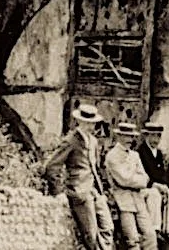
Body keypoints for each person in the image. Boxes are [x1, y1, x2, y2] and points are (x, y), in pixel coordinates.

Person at [42, 103, 116, 250]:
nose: (90, 127)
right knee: (92, 235)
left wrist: (101, 191)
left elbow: (95, 168)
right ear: (79, 121)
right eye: (87, 123)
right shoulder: (71, 141)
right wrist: (59, 192)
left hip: (94, 191)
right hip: (79, 192)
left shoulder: (94, 141)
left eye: (93, 123)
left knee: (108, 227)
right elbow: (51, 166)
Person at [105, 122, 158, 250]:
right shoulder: (112, 156)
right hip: (123, 202)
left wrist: (134, 179)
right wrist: (135, 179)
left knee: (150, 236)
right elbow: (124, 179)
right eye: (126, 136)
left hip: (138, 201)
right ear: (119, 136)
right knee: (132, 240)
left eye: (131, 137)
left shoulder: (135, 155)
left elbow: (145, 178)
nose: (130, 140)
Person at [136, 123, 169, 245]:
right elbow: (141, 174)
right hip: (145, 187)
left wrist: (164, 185)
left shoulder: (159, 153)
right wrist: (154, 184)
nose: (156, 140)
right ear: (147, 136)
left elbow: (162, 173)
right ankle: (154, 229)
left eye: (158, 137)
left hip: (158, 185)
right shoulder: (140, 152)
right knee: (154, 195)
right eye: (153, 136)